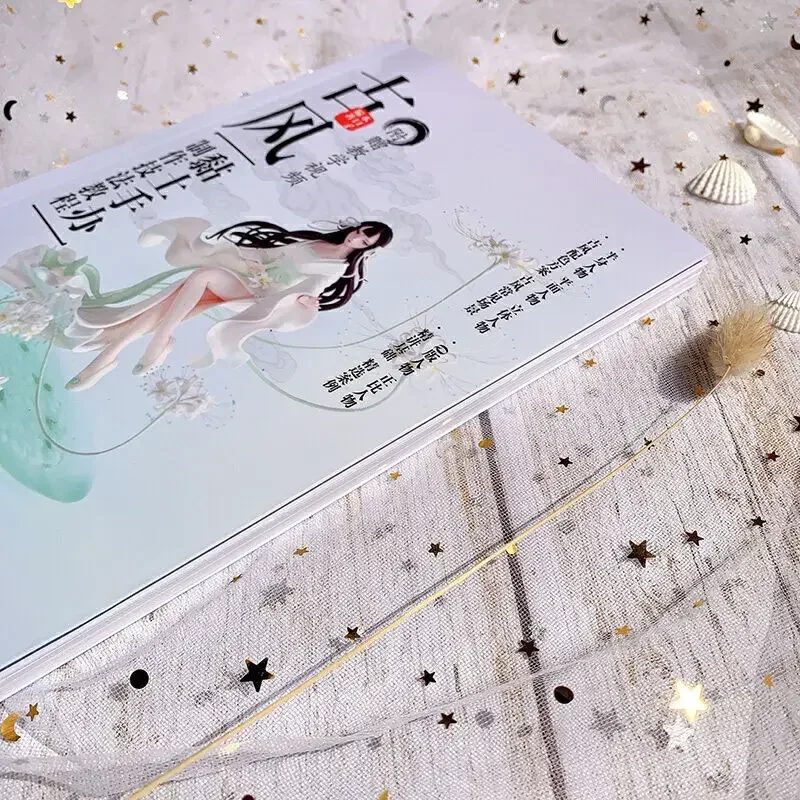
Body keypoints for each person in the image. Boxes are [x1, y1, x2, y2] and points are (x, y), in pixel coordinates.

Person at [57, 217, 393, 390]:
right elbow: (269, 255)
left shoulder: (338, 267)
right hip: (250, 276)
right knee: (178, 297)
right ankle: (112, 352)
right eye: (361, 230)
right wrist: (250, 261)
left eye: (365, 239)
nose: (357, 237)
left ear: (369, 248)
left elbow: (312, 286)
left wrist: (306, 300)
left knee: (201, 276)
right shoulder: (318, 240)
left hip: (262, 295)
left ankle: (156, 340)